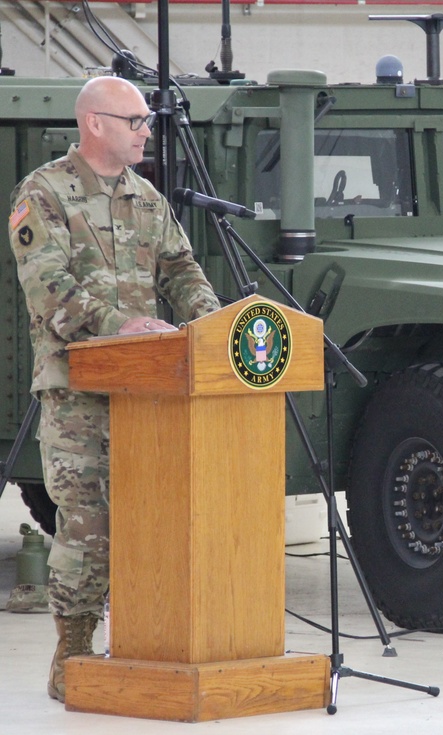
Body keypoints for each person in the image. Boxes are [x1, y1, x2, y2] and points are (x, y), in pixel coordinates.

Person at [7, 76, 221, 702]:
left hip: (150, 392)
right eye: (135, 120)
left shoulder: (147, 198)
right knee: (89, 524)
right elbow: (48, 291)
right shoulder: (42, 193)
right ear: (94, 123)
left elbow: (182, 270)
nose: (146, 130)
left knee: (154, 518)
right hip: (79, 390)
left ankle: (145, 645)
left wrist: (209, 326)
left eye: (146, 121)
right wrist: (122, 324)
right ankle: (73, 653)